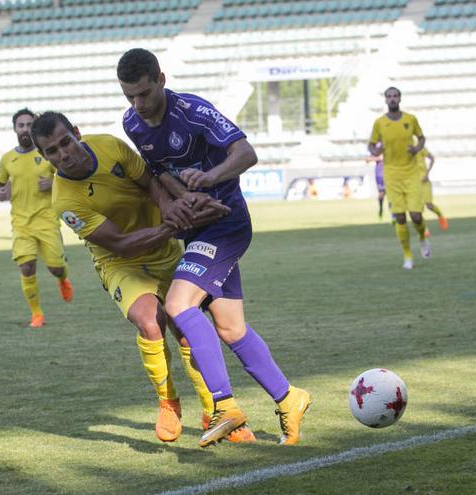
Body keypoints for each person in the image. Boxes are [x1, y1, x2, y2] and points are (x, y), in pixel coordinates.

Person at [117, 48, 311, 447]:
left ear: (161, 80)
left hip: (227, 222)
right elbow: (159, 172)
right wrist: (181, 201)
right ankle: (290, 399)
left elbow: (246, 153)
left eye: (144, 94)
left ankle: (223, 405)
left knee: (178, 305)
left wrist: (209, 179)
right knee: (230, 327)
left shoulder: (193, 111)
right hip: (198, 228)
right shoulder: (132, 123)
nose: (138, 104)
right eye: (129, 96)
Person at [30, 111, 255, 444]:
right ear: (44, 156)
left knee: (186, 329)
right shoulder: (65, 200)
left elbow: (150, 182)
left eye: (65, 142)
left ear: (77, 133)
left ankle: (214, 412)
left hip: (163, 249)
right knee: (150, 320)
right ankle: (168, 402)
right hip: (120, 262)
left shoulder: (109, 146)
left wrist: (171, 208)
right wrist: (173, 225)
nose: (63, 154)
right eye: (52, 151)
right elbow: (120, 244)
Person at [0, 108, 73, 328]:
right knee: (27, 267)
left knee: (55, 267)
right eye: (21, 125)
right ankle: (37, 314)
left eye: (30, 125)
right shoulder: (7, 159)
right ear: (15, 129)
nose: (25, 129)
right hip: (21, 223)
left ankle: (62, 278)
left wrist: (53, 183)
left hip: (47, 220)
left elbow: (67, 177)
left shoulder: (47, 153)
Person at [368, 87, 431, 270]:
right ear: (386, 100)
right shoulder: (379, 123)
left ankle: (422, 237)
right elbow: (371, 145)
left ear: (400, 99)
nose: (393, 99)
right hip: (391, 174)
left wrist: (417, 149)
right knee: (400, 218)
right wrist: (375, 151)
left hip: (411, 174)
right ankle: (408, 256)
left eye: (395, 96)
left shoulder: (410, 119)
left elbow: (421, 138)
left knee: (416, 215)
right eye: (389, 96)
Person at [417, 147, 449, 231]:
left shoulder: (420, 148)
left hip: (424, 182)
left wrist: (427, 173)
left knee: (429, 205)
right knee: (417, 208)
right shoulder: (404, 150)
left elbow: (432, 158)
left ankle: (440, 216)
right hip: (414, 183)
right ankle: (424, 229)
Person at [364, 147, 386, 219]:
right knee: (381, 193)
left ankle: (394, 215)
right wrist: (376, 158)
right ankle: (381, 208)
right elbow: (367, 159)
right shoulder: (376, 145)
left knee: (392, 194)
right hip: (380, 172)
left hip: (390, 171)